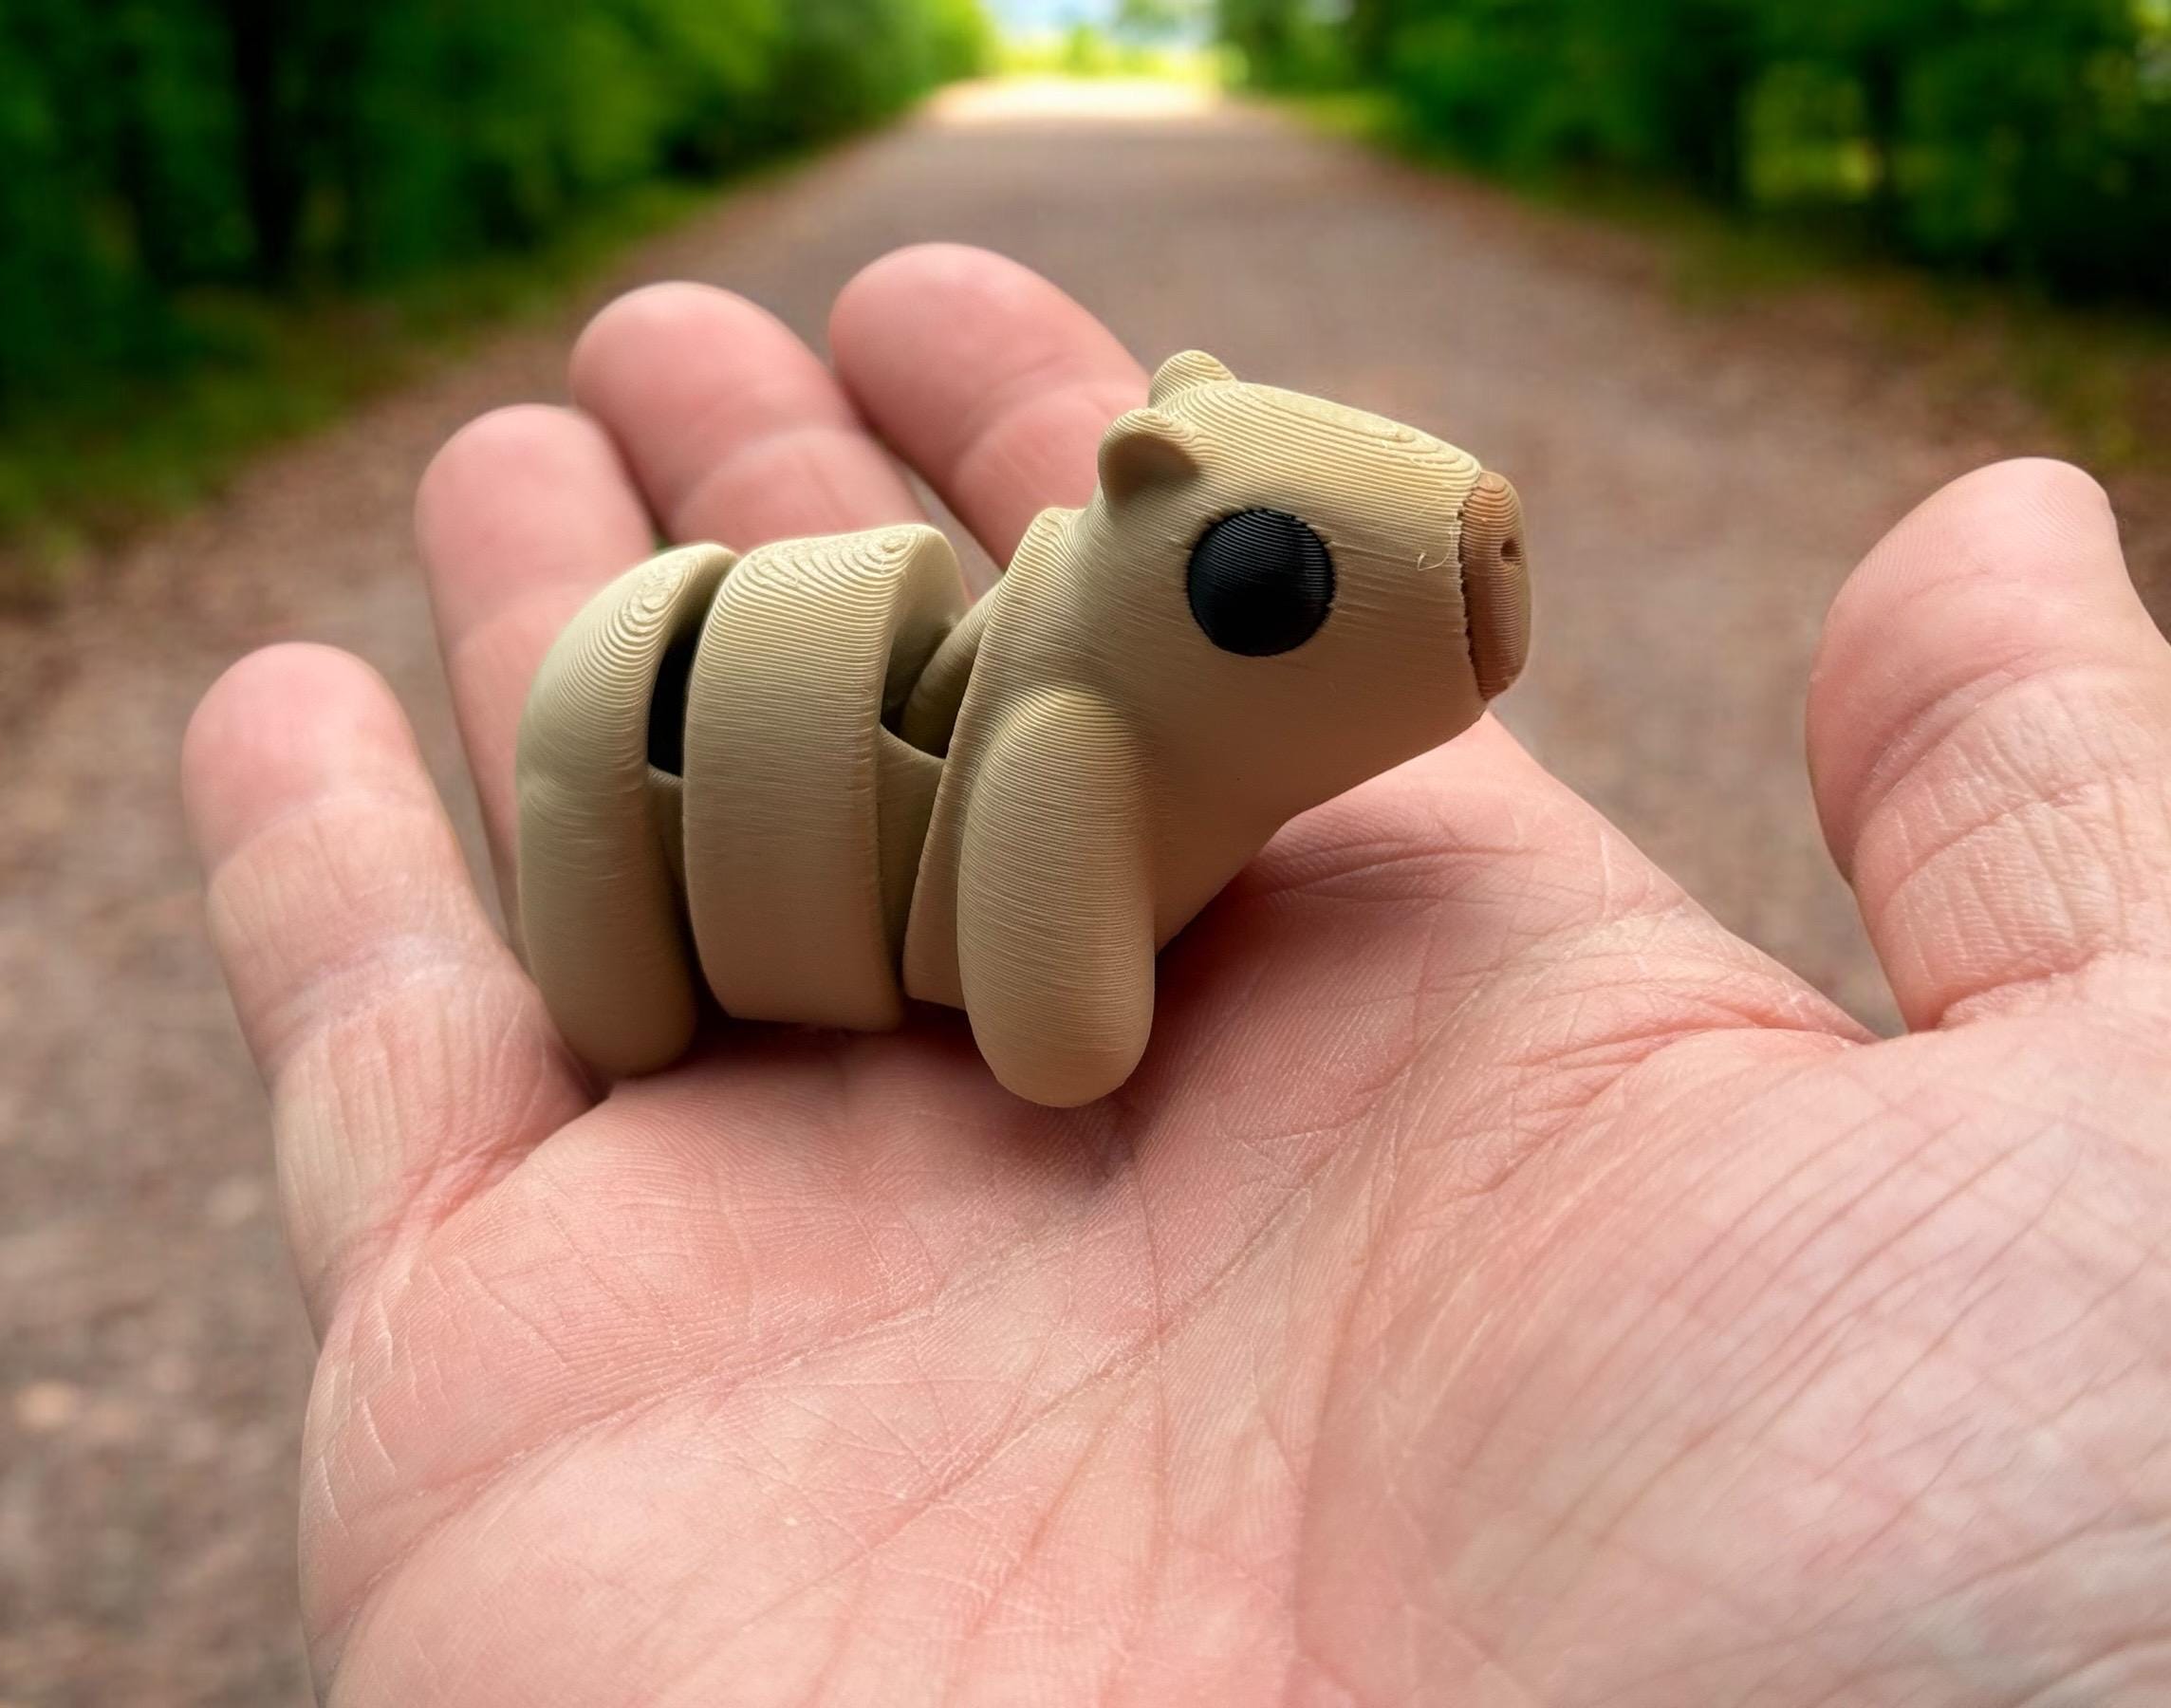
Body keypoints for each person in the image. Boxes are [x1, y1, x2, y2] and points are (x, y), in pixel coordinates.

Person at [180, 244, 2171, 1703]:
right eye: (1273, 586)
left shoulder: (1113, 736)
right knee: (638, 962)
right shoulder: (1070, 752)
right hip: (666, 783)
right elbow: (1052, 1034)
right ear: (1161, 559)